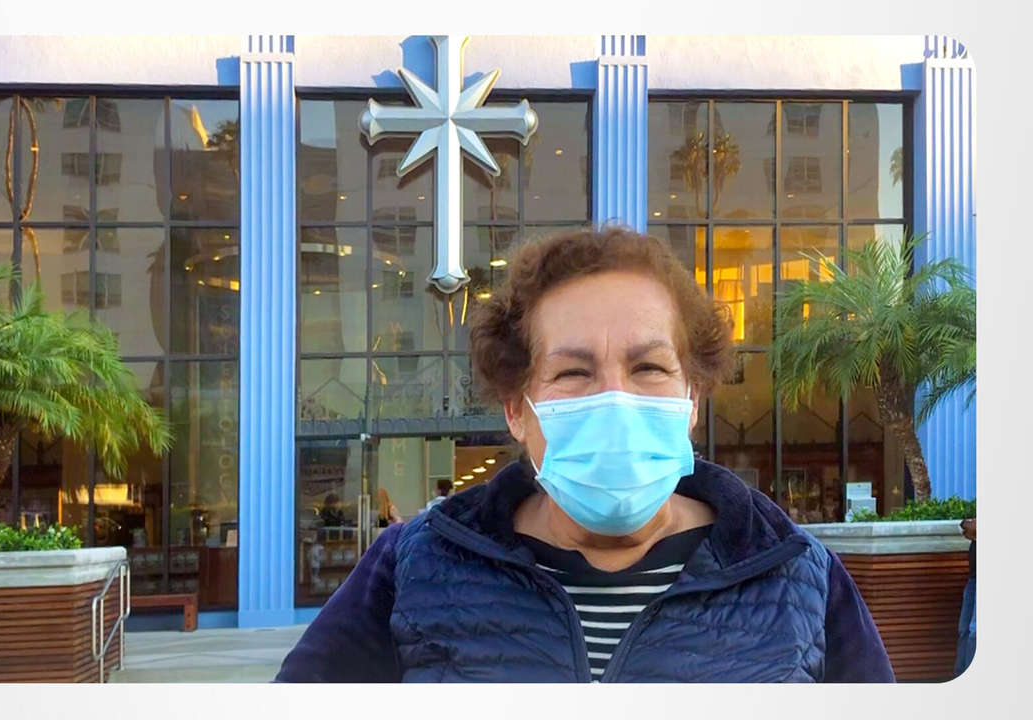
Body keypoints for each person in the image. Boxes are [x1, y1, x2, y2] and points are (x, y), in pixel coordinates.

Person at [276, 227, 893, 683]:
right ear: (517, 410)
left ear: (693, 398)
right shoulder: (412, 566)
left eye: (649, 367)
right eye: (573, 373)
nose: (615, 400)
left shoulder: (797, 576)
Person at [955, 516, 976, 676]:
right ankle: (960, 674)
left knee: (974, 631)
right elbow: (966, 526)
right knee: (964, 630)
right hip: (973, 578)